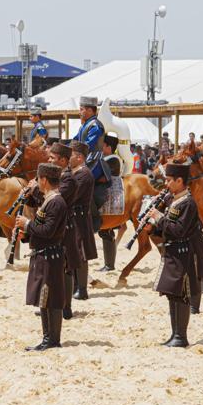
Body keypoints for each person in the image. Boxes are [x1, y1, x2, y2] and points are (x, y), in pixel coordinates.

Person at [143, 161, 201, 347]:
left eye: (169, 180)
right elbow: (167, 229)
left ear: (180, 180)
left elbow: (179, 230)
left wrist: (159, 218)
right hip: (172, 251)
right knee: (171, 293)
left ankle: (181, 336)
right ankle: (174, 333)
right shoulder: (173, 200)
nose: (166, 184)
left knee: (181, 294)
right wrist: (152, 228)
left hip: (183, 253)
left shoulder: (188, 203)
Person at [17, 162, 68, 351]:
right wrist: (27, 235)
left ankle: (52, 340)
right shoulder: (49, 200)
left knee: (50, 298)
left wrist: (27, 224)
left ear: (44, 180)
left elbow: (48, 230)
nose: (37, 182)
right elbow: (43, 230)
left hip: (50, 256)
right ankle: (48, 338)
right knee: (44, 298)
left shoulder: (56, 202)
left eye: (38, 179)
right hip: (43, 254)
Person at [66, 137, 98, 302]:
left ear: (79, 157)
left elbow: (73, 196)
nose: (68, 158)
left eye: (70, 155)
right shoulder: (75, 173)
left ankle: (82, 289)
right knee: (75, 251)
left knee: (81, 252)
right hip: (74, 216)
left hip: (80, 217)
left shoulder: (84, 174)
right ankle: (76, 286)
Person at [74, 95, 109, 234]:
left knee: (82, 181)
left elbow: (86, 146)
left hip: (95, 162)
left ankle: (94, 218)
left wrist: (73, 151)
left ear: (89, 110)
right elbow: (75, 140)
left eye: (81, 109)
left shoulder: (96, 126)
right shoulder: (85, 125)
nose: (79, 112)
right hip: (86, 160)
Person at [96, 134, 123, 272]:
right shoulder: (106, 158)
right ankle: (109, 264)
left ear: (109, 147)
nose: (100, 147)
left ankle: (109, 264)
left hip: (110, 194)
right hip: (106, 192)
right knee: (105, 232)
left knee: (106, 232)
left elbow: (102, 177)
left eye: (103, 145)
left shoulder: (113, 159)